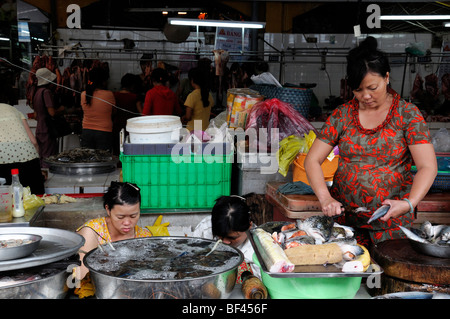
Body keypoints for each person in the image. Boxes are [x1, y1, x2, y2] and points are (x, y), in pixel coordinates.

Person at [304, 36, 437, 246]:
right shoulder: (342, 115)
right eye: (358, 90)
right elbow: (312, 160)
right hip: (346, 222)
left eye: (372, 88)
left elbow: (427, 166)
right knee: (351, 271)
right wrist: (325, 198)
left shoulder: (407, 114)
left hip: (391, 223)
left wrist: (408, 203)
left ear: (386, 77)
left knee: (387, 275)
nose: (365, 96)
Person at [74, 182, 151, 297]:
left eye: (133, 216)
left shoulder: (144, 236)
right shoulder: (92, 232)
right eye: (120, 217)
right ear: (108, 210)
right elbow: (78, 280)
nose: (127, 223)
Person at [192, 195, 260, 283]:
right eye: (219, 235)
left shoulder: (257, 247)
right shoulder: (205, 229)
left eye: (232, 237)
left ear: (249, 227)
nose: (225, 242)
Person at [0, 101, 45, 194]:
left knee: (6, 200)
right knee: (34, 197)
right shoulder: (15, 110)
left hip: (2, 158)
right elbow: (34, 142)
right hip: (28, 156)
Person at [32, 67, 64, 167]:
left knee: (42, 156)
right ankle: (47, 179)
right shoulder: (46, 92)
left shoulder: (36, 93)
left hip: (39, 129)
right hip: (47, 129)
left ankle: (42, 177)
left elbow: (35, 115)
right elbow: (52, 113)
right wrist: (62, 109)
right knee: (48, 158)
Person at [80, 67, 115, 152]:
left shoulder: (83, 94)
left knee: (87, 159)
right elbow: (113, 112)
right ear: (103, 81)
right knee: (103, 160)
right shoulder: (109, 94)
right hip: (104, 132)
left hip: (86, 131)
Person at [112, 73, 142, 155]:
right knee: (129, 153)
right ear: (132, 85)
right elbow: (141, 113)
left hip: (117, 128)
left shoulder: (114, 95)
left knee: (117, 153)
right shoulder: (134, 97)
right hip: (130, 130)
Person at [183, 67, 214, 131]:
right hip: (205, 130)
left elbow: (188, 117)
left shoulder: (192, 96)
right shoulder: (208, 94)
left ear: (192, 80)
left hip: (193, 131)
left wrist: (183, 118)